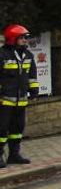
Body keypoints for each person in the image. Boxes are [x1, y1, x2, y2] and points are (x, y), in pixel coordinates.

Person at [0, 24, 38, 166]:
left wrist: (34, 90)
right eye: (21, 38)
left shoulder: (28, 55)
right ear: (12, 39)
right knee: (2, 128)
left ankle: (14, 155)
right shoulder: (2, 55)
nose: (24, 41)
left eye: (25, 38)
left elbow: (32, 75)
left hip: (21, 100)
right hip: (5, 100)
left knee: (17, 128)